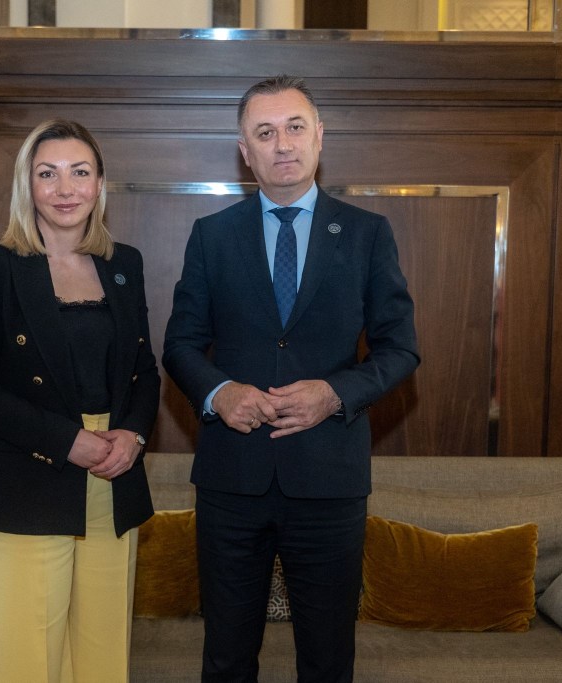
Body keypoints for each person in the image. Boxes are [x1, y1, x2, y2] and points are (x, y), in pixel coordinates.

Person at [162, 75, 420, 682]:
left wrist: (335, 393)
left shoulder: (367, 233)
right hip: (232, 480)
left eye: (295, 127)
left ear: (319, 137)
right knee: (226, 659)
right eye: (265, 132)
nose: (282, 144)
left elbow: (400, 348)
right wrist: (220, 392)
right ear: (244, 151)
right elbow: (180, 344)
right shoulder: (212, 235)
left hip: (329, 481)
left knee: (327, 661)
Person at [0, 118, 160, 683]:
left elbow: (143, 370)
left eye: (79, 172)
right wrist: (67, 441)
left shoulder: (125, 264)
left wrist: (134, 435)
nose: (65, 188)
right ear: (28, 184)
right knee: (28, 660)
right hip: (30, 471)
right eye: (48, 174)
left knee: (103, 655)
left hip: (113, 474)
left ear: (100, 184)